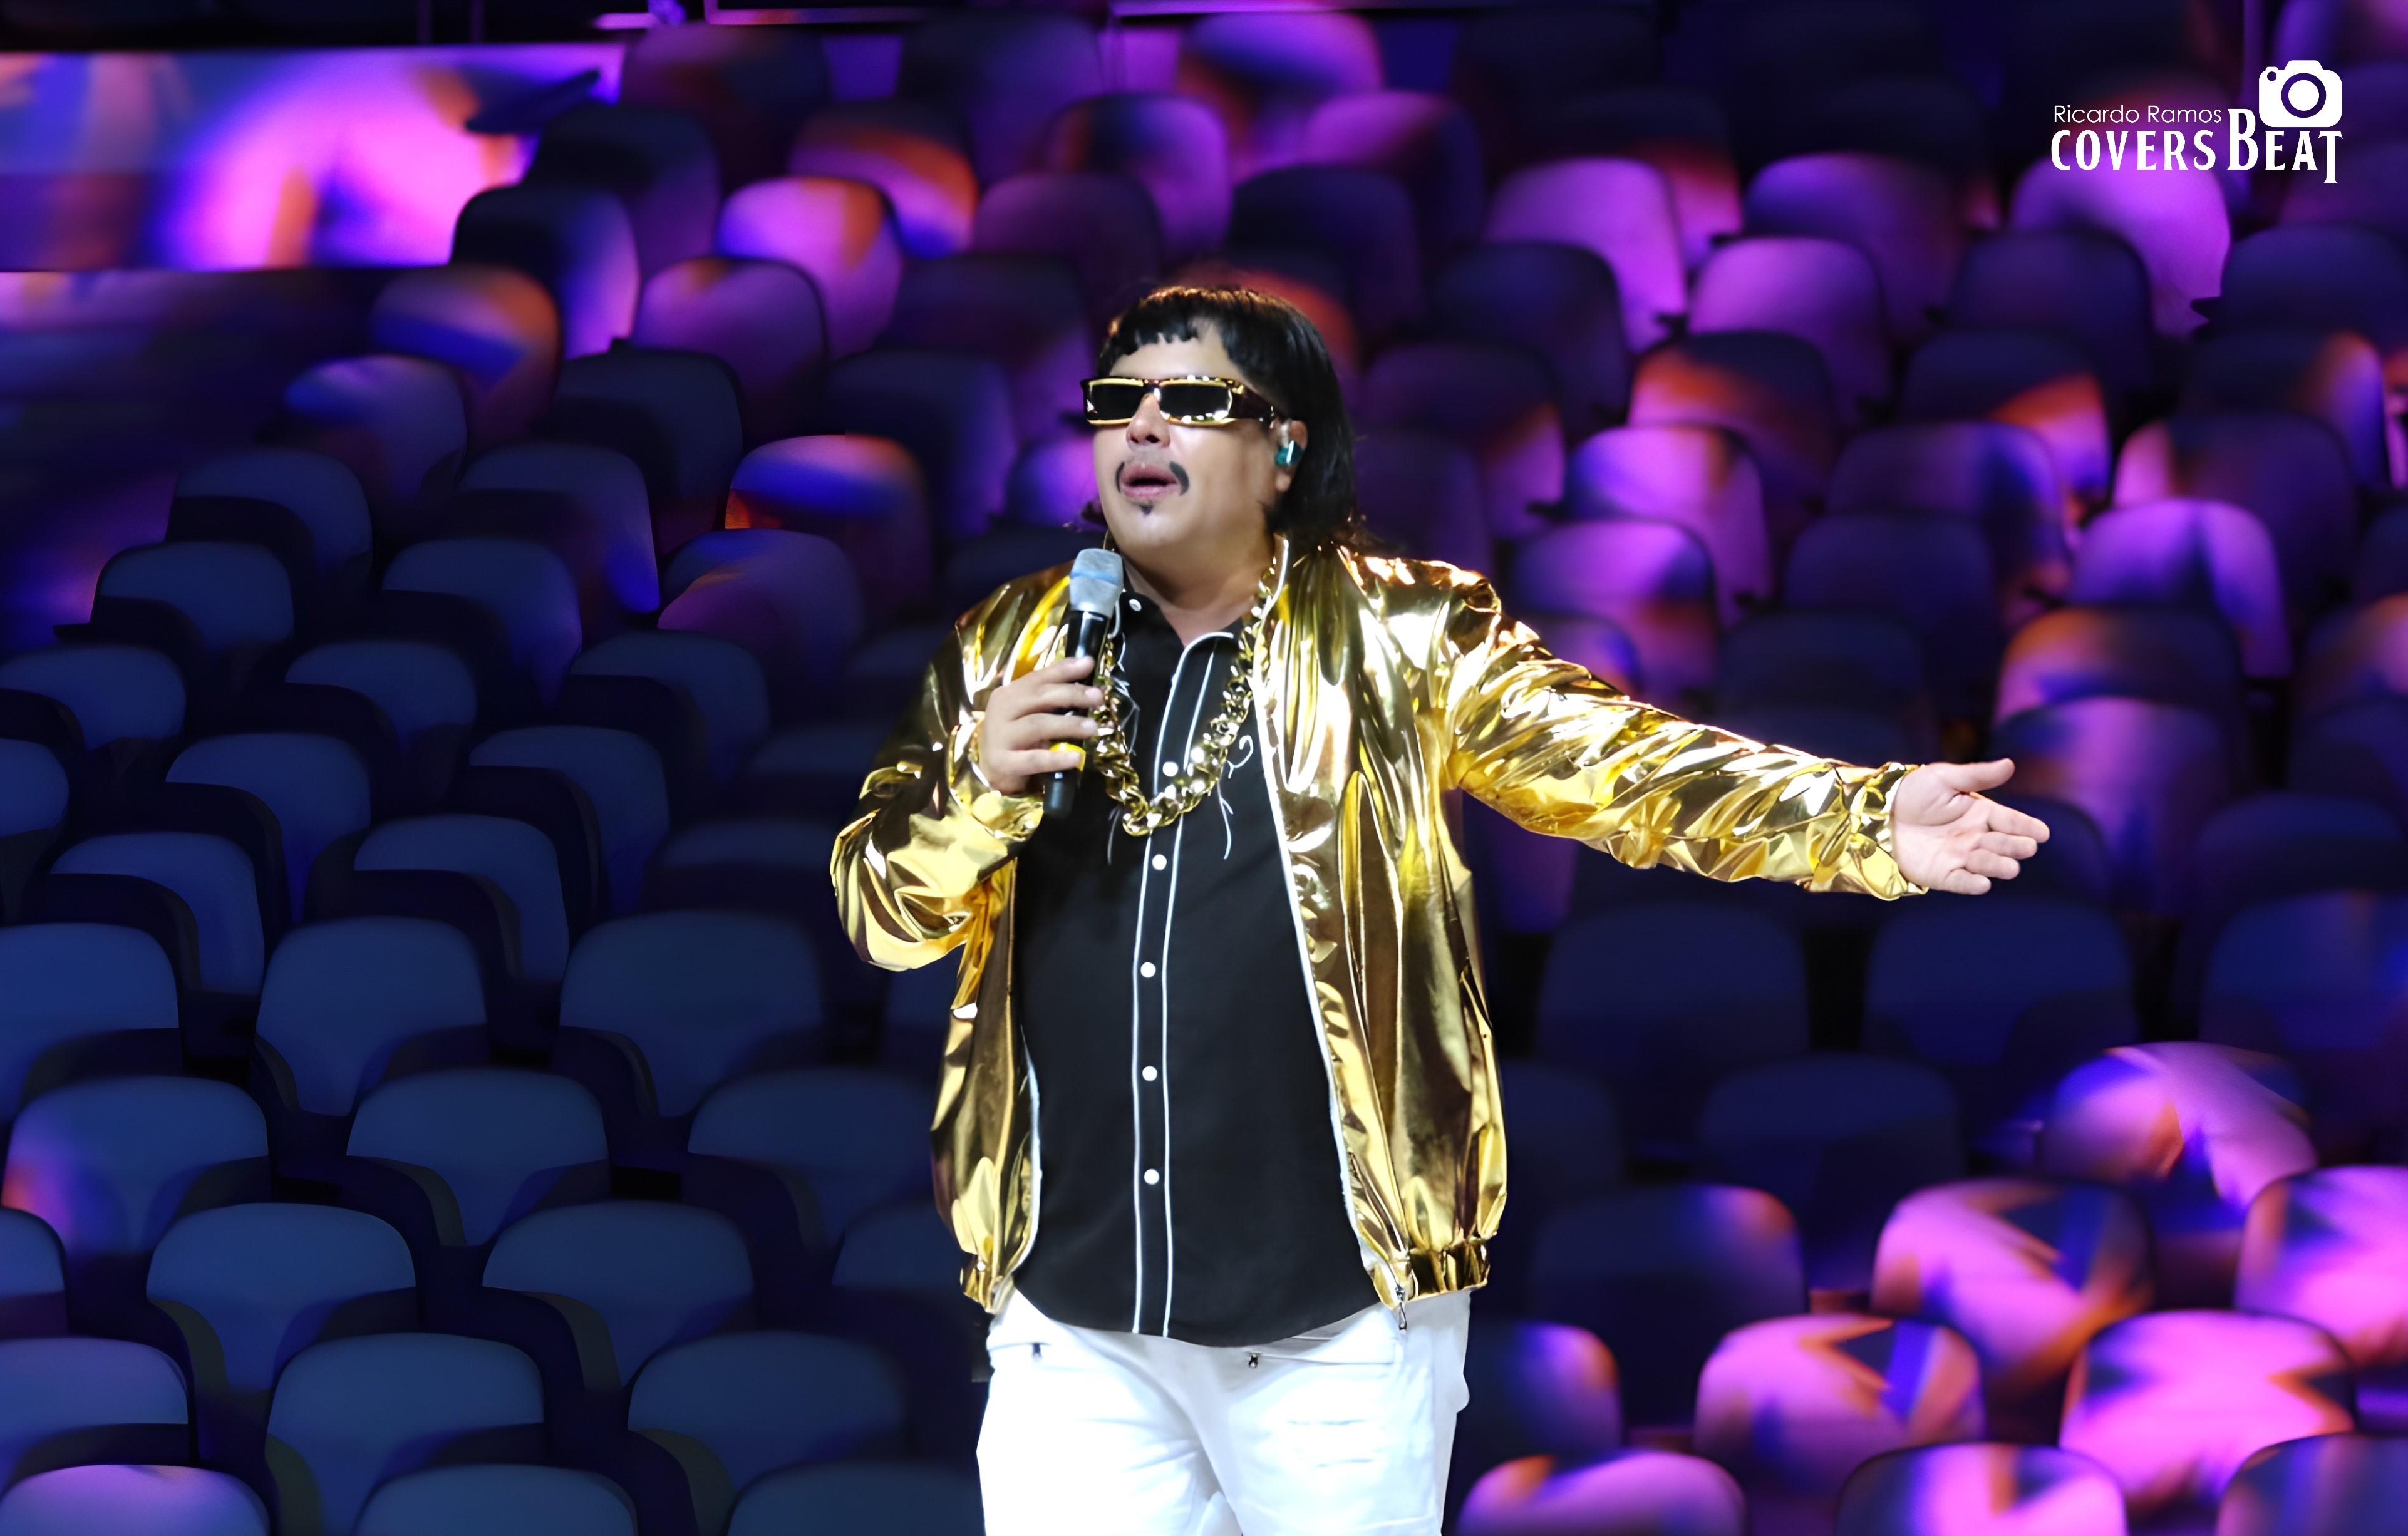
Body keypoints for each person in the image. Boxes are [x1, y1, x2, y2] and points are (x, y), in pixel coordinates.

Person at [832, 286, 2047, 1536]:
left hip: (1328, 1323)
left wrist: (1860, 818)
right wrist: (975, 790)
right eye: (1115, 403)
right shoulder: (1006, 648)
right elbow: (881, 914)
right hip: (1070, 1325)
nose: (1142, 428)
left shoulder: (1402, 633)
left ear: (1283, 445)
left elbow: (1621, 767)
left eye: (1189, 401)